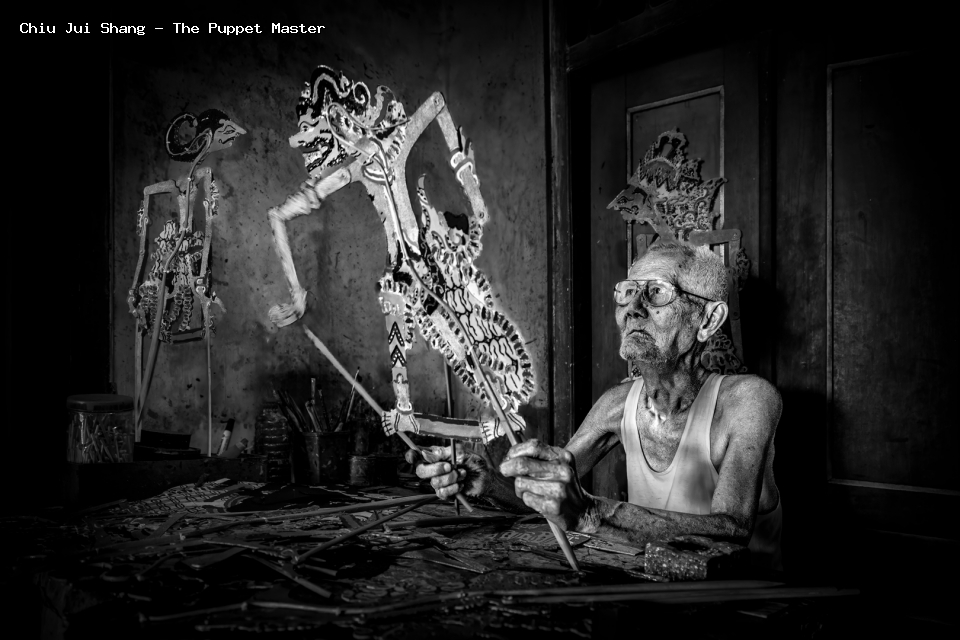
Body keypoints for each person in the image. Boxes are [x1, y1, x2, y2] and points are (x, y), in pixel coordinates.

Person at [407, 241, 783, 569]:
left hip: (746, 598)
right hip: (652, 583)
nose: (632, 309)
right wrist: (488, 482)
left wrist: (592, 513)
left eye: (656, 292)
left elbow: (731, 529)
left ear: (708, 319)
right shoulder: (619, 403)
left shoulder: (748, 400)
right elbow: (552, 494)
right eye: (628, 292)